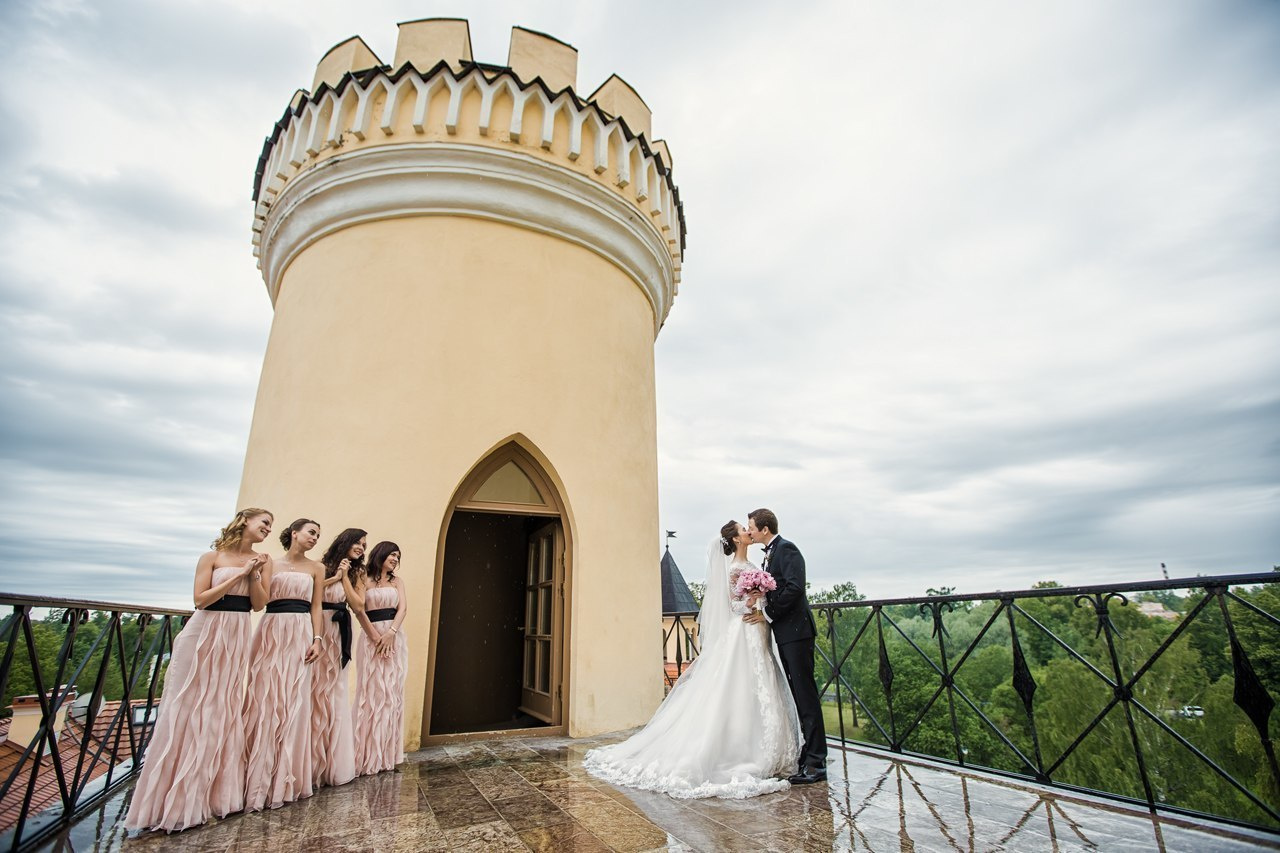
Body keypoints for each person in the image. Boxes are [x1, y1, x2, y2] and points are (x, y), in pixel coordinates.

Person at [583, 521, 800, 799]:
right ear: (735, 539)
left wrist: (762, 600)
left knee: (762, 683)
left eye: (749, 527)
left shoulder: (753, 563)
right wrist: (750, 601)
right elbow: (733, 605)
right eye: (743, 529)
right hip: (742, 632)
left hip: (758, 630)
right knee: (739, 686)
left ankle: (771, 747)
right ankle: (739, 749)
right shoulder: (735, 568)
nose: (748, 530)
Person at [125, 508, 273, 833]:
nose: (267, 529)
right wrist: (239, 573)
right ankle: (173, 800)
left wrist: (255, 574)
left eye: (270, 526)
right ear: (245, 521)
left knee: (222, 709)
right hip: (204, 632)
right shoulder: (212, 556)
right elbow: (201, 599)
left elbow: (260, 604)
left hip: (236, 635)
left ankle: (213, 797)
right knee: (188, 708)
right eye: (264, 523)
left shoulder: (263, 560)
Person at [242, 517, 325, 811]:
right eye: (311, 532)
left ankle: (287, 778)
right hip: (272, 630)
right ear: (294, 533)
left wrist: (317, 639)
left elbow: (317, 606)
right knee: (265, 699)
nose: (315, 538)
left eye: (317, 535)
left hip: (301, 630)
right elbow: (260, 603)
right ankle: (257, 776)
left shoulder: (317, 568)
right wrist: (253, 574)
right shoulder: (270, 563)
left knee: (294, 701)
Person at [743, 508, 827, 784]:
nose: (750, 531)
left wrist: (768, 613)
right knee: (798, 693)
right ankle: (808, 755)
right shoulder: (770, 553)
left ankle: (817, 763)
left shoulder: (787, 550)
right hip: (786, 633)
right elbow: (779, 589)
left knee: (806, 695)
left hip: (797, 632)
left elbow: (794, 588)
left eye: (751, 527)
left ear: (765, 528)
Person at [346, 540, 408, 775]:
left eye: (398, 557)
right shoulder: (363, 577)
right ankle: (365, 754)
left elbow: (403, 609)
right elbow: (359, 609)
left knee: (391, 693)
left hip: (394, 637)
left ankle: (387, 755)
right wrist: (374, 636)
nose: (395, 559)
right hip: (371, 636)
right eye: (392, 554)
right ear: (381, 554)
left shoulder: (397, 582)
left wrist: (391, 634)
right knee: (371, 692)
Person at [311, 528, 364, 788]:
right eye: (358, 542)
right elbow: (313, 594)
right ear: (345, 542)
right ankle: (310, 761)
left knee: (335, 691)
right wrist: (335, 576)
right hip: (319, 628)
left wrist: (344, 579)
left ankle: (333, 762)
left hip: (339, 631)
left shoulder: (358, 573)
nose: (362, 547)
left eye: (364, 544)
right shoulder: (321, 566)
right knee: (313, 691)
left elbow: (358, 605)